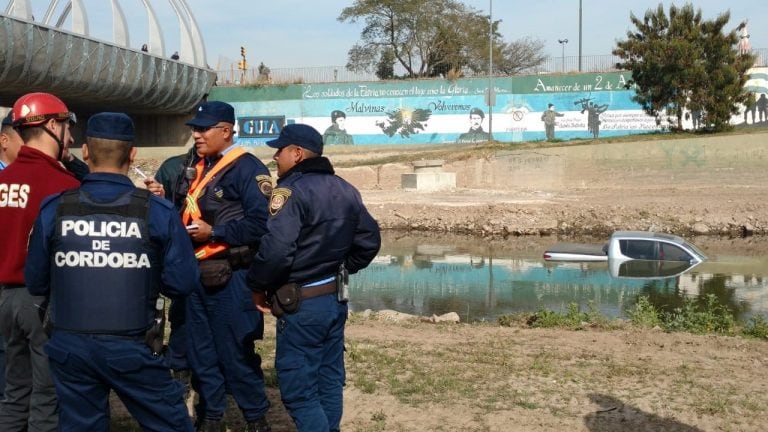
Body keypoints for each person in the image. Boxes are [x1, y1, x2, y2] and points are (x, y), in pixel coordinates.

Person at [24, 112, 200, 431]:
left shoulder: (56, 208)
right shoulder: (156, 211)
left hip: (70, 348)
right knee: (171, 424)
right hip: (133, 345)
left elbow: (35, 281)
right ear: (132, 154)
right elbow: (183, 282)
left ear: (86, 153)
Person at [246, 124, 381, 432]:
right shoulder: (344, 187)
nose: (275, 156)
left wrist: (257, 285)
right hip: (333, 299)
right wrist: (341, 268)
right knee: (328, 381)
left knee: (298, 391)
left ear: (297, 154)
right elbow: (369, 241)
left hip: (302, 304)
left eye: (280, 150)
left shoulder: (290, 191)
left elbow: (277, 250)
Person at [182, 101, 273, 432]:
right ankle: (212, 417)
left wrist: (215, 232)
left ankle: (255, 417)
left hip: (233, 276)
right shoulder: (200, 165)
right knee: (202, 354)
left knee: (235, 351)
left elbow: (262, 224)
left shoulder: (248, 169)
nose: (196, 134)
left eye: (203, 129)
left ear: (225, 130)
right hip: (198, 275)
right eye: (194, 128)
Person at [0, 92, 81, 432]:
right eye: (65, 126)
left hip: (5, 300)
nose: (71, 137)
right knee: (47, 397)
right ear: (51, 125)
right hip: (43, 303)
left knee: (14, 391)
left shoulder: (2, 181)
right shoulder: (64, 186)